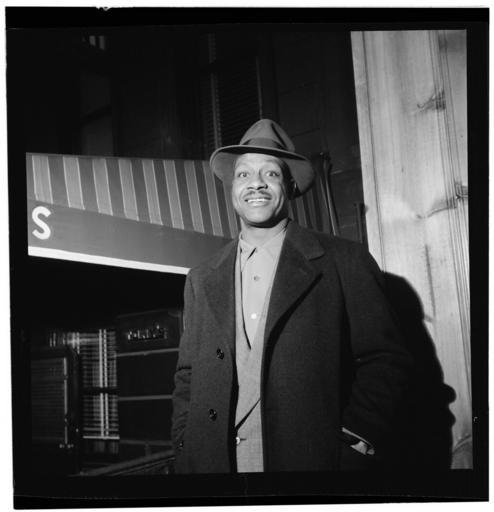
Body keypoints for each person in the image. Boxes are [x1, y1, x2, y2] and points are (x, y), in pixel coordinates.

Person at [171, 119, 410, 473]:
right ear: (232, 187)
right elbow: (187, 374)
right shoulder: (201, 277)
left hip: (310, 469)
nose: (255, 183)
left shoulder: (344, 261)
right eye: (243, 174)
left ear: (290, 185)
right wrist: (184, 445)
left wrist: (355, 438)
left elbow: (386, 358)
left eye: (270, 173)